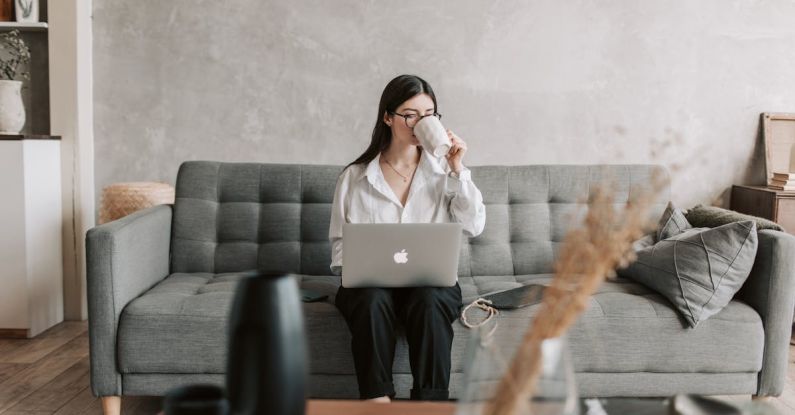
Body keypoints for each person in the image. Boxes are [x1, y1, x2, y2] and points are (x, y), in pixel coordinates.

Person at [328, 74, 486, 402]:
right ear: (388, 117)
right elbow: (340, 248)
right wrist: (360, 267)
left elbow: (474, 226)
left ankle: (430, 405)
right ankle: (377, 403)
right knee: (371, 300)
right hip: (370, 287)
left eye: (429, 115)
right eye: (410, 114)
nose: (420, 123)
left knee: (431, 300)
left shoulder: (445, 172)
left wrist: (458, 168)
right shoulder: (355, 177)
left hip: (429, 284)